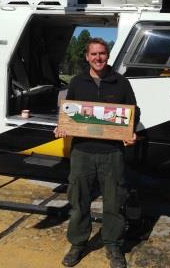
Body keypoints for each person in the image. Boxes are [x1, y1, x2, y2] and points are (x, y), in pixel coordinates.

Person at [54, 38, 140, 268]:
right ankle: (78, 243)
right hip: (82, 151)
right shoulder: (78, 82)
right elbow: (69, 112)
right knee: (79, 200)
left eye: (102, 53)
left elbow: (134, 113)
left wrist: (130, 132)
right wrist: (62, 126)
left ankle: (113, 245)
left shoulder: (120, 83)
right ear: (87, 57)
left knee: (114, 201)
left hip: (112, 153)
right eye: (93, 54)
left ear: (108, 55)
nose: (98, 58)